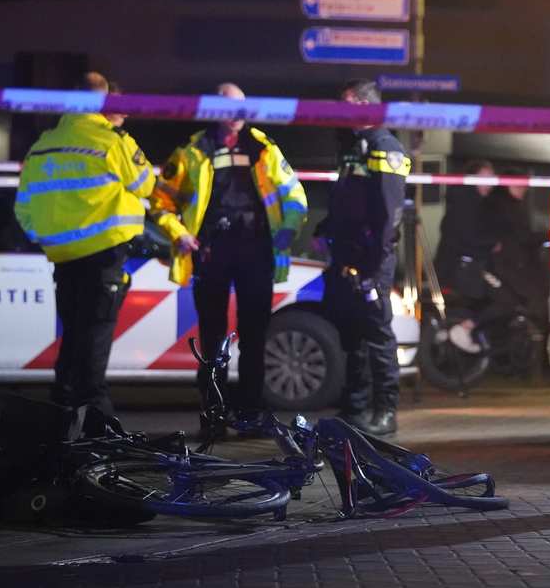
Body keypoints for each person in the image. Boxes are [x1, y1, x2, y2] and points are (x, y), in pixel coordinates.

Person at [151, 83, 308, 432]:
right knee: (212, 338)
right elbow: (161, 201)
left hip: (256, 252)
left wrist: (288, 230)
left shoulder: (263, 148)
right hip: (211, 253)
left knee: (255, 337)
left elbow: (294, 195)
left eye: (241, 108)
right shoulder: (194, 150)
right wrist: (181, 234)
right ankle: (214, 415)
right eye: (227, 107)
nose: (236, 115)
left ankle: (252, 413)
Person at [15, 71, 156, 416]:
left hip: (63, 257)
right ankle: (96, 420)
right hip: (103, 254)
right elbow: (145, 184)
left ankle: (61, 412)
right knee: (94, 339)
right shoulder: (110, 140)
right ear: (105, 100)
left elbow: (23, 206)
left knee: (74, 336)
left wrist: (47, 236)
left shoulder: (43, 144)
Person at [317, 80, 410, 436]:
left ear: (366, 106)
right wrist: (325, 228)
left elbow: (388, 216)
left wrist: (374, 268)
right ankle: (356, 409)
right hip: (346, 255)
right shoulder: (354, 146)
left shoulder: (385, 147)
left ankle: (386, 411)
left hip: (371, 260)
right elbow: (347, 199)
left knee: (377, 334)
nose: (342, 111)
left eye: (347, 104)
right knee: (352, 334)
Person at [448, 178, 549, 356]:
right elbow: (519, 238)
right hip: (490, 266)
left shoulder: (507, 206)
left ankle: (488, 339)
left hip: (499, 266)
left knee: (510, 302)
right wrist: (548, 235)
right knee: (506, 301)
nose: (523, 190)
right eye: (519, 185)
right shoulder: (501, 207)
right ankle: (467, 327)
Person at [433, 159, 496, 295]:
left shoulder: (471, 201)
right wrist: (492, 244)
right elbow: (467, 237)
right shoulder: (467, 203)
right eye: (484, 178)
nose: (489, 184)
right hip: (457, 271)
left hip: (455, 269)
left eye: (491, 178)